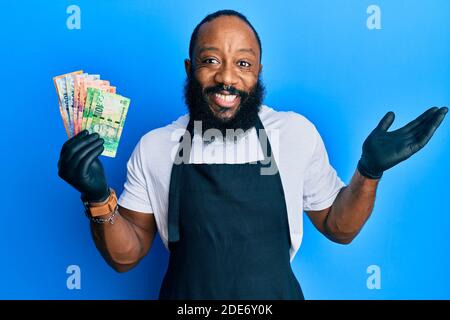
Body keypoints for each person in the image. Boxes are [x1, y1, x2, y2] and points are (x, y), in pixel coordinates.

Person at [57, 10, 447, 300]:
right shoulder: (157, 145)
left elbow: (337, 227)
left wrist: (368, 172)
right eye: (211, 61)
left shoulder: (294, 133)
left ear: (258, 71)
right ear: (190, 69)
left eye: (242, 64)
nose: (227, 78)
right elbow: (126, 257)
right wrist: (97, 198)